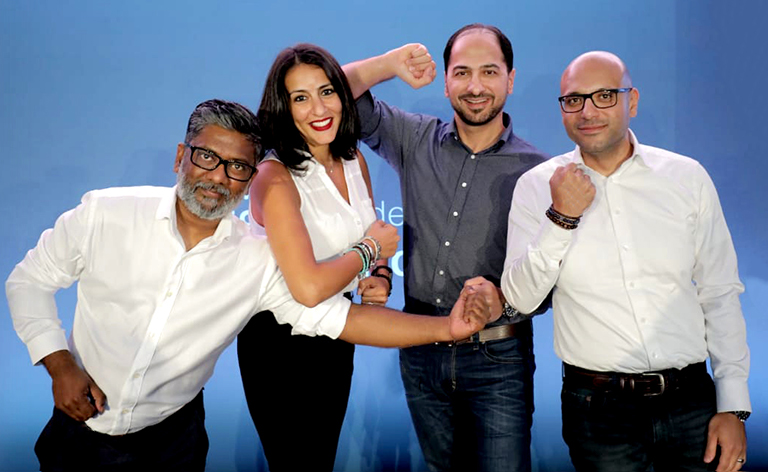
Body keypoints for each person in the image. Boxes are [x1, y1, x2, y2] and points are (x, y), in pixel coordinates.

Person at [5, 98, 497, 471]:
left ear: (249, 180)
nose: (218, 177)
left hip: (173, 445)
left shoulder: (257, 259)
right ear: (181, 156)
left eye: (238, 166)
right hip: (77, 435)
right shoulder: (105, 213)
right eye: (205, 158)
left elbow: (338, 318)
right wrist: (59, 363)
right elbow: (27, 281)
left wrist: (447, 328)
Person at [501, 51, 751, 472]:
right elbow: (522, 299)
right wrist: (562, 218)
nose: (587, 111)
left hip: (691, 400)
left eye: (603, 96)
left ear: (631, 101)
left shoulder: (686, 178)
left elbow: (720, 293)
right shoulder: (537, 186)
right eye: (573, 100)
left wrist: (734, 406)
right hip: (597, 409)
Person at [342, 24, 548, 472]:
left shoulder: (539, 171)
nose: (475, 87)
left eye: (490, 72)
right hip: (421, 348)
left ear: (510, 79)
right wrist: (390, 64)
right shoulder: (414, 139)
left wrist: (503, 305)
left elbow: (549, 284)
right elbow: (334, 94)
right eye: (462, 72)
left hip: (498, 357)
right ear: (446, 80)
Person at [237, 43, 397, 471]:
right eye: (300, 98)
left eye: (326, 91)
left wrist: (379, 276)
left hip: (335, 336)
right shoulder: (274, 175)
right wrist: (369, 254)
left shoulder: (354, 158)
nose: (317, 108)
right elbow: (307, 288)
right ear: (283, 108)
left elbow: (372, 235)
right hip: (278, 346)